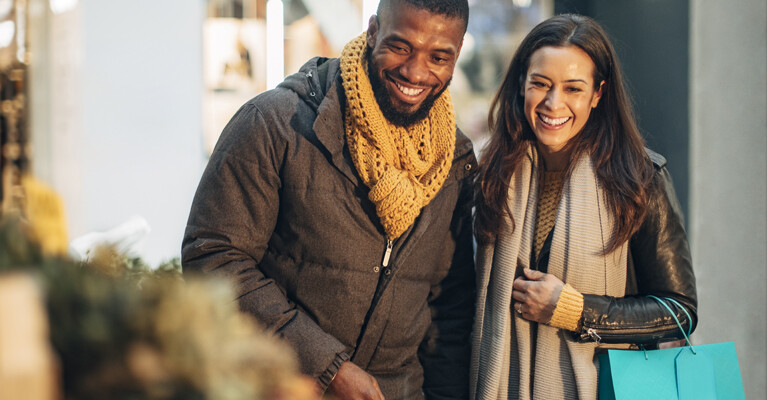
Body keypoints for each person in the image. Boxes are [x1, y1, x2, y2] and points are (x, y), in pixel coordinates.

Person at [182, 1, 476, 399]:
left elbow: (449, 308)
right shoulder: (274, 123)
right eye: (400, 46)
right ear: (372, 33)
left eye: (439, 57)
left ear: (456, 56)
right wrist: (328, 367)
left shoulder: (453, 159)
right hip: (280, 388)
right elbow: (212, 258)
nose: (415, 71)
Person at [470, 14, 697, 400]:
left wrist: (575, 310)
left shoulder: (639, 179)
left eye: (573, 88)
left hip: (605, 388)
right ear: (521, 84)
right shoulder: (494, 174)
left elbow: (680, 311)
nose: (553, 103)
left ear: (597, 94)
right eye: (540, 84)